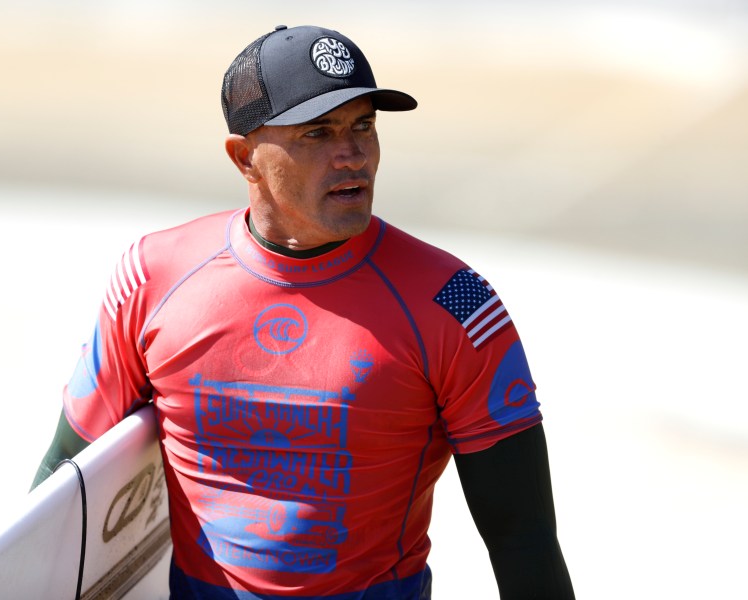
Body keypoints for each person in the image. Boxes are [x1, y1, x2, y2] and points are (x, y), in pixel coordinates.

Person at [32, 24, 575, 600]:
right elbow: (62, 478)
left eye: (363, 125)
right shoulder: (151, 279)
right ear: (245, 158)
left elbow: (524, 539)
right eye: (319, 132)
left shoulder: (456, 304)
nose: (354, 155)